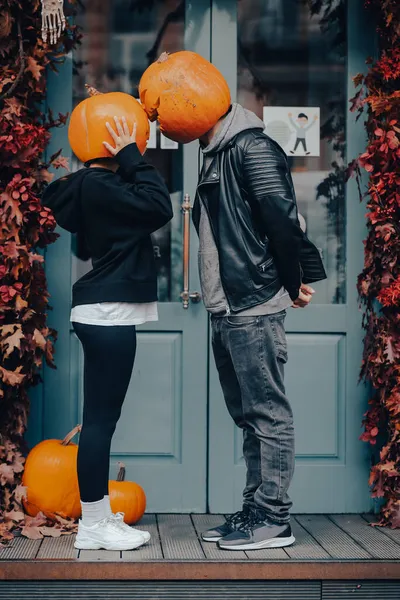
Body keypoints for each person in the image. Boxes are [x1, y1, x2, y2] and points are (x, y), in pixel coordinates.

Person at [193, 103, 326, 551]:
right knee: (250, 416)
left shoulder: (251, 147)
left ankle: (273, 518)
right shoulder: (213, 151)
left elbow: (284, 219)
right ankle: (255, 510)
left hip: (252, 303)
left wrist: (293, 281)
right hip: (226, 306)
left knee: (268, 413)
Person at [42, 116, 173, 551]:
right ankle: (94, 525)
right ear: (111, 147)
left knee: (100, 420)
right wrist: (131, 155)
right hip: (109, 312)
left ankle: (96, 518)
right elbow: (159, 205)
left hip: (100, 310)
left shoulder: (90, 189)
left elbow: (87, 243)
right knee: (100, 422)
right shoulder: (103, 187)